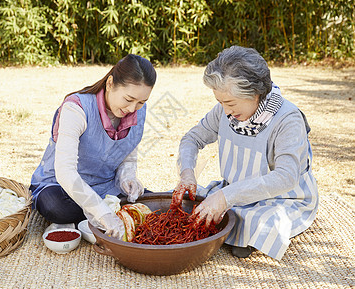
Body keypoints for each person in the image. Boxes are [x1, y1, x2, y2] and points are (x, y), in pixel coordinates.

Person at [172, 46, 318, 260]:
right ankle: (236, 227)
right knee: (187, 205)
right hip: (235, 192)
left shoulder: (288, 119)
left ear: (255, 93)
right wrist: (187, 172)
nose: (226, 111)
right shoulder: (224, 112)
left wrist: (225, 197)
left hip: (283, 199)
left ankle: (242, 233)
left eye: (230, 103)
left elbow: (286, 178)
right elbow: (192, 139)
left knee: (264, 221)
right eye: (220, 103)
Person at [30, 54, 157, 239]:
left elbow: (128, 151)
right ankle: (106, 212)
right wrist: (104, 213)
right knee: (55, 207)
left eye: (141, 102)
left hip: (106, 186)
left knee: (152, 204)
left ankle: (96, 214)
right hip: (62, 186)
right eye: (128, 99)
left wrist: (127, 177)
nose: (132, 109)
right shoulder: (76, 109)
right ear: (110, 83)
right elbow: (65, 172)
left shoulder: (137, 110)